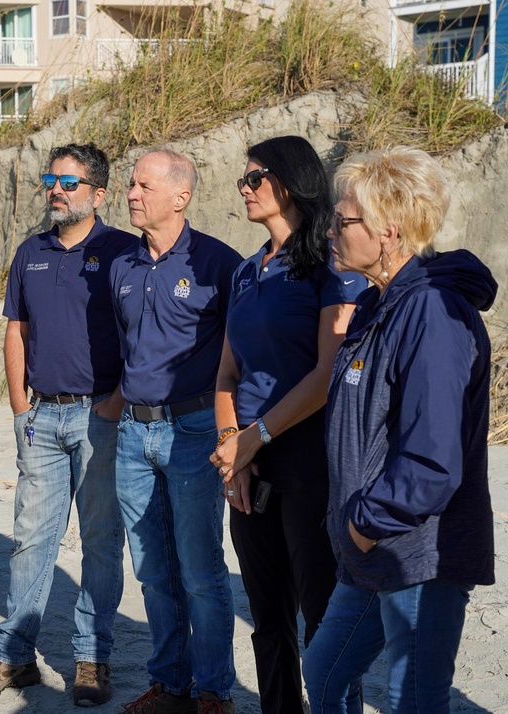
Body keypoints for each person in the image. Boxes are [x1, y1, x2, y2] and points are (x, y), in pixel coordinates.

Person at [303, 146, 497, 713]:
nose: (332, 230)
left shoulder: (433, 311)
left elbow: (432, 457)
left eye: (345, 220)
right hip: (372, 550)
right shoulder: (378, 305)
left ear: (390, 231)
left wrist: (366, 522)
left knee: (413, 698)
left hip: (416, 551)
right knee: (324, 673)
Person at [0, 144, 135, 707]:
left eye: (69, 182)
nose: (56, 189)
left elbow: (142, 334)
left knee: (101, 542)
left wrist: (116, 402)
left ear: (98, 194)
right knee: (31, 539)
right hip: (41, 416)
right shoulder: (30, 251)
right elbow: (16, 328)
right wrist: (18, 406)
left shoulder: (124, 253)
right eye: (50, 179)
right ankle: (13, 657)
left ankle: (91, 658)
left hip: (101, 414)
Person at [209, 136, 364, 714]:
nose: (244, 189)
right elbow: (226, 372)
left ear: (290, 181)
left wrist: (256, 438)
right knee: (267, 616)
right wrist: (233, 449)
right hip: (249, 458)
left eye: (255, 179)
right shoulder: (247, 271)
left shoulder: (330, 263)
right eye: (243, 181)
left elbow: (328, 375)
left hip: (308, 460)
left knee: (322, 617)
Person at [111, 149, 241, 714]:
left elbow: (243, 354)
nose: (132, 194)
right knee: (152, 570)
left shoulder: (219, 264)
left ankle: (214, 691)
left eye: (143, 186)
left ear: (179, 197)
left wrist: (234, 430)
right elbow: (123, 346)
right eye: (131, 185)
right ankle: (170, 684)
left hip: (193, 433)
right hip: (132, 437)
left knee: (200, 569)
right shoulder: (122, 264)